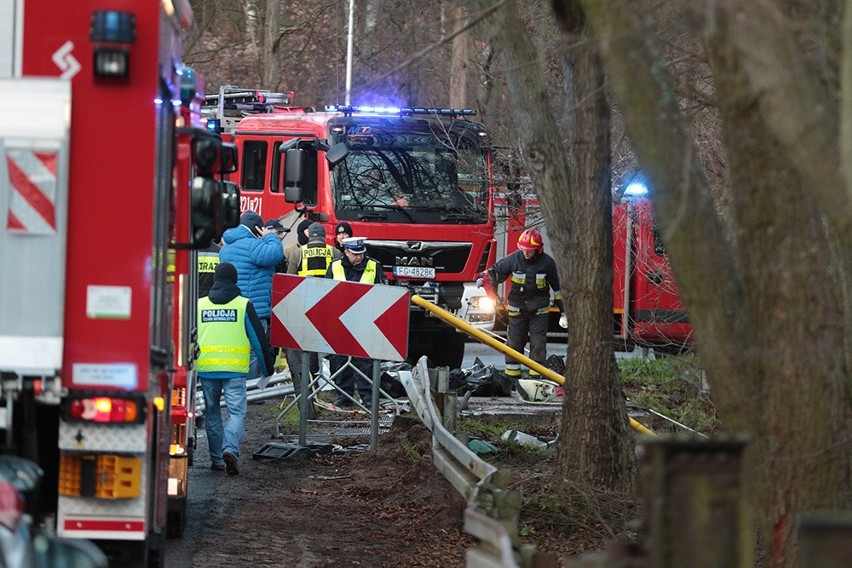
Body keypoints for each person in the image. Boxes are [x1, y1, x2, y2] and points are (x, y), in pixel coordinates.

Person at [197, 262, 275, 475]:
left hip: (206, 370)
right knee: (236, 413)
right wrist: (268, 368)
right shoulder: (243, 305)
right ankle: (230, 448)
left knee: (212, 413)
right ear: (235, 280)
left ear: (215, 279)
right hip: (234, 371)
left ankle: (217, 460)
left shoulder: (200, 305)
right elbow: (258, 341)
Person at [478, 228, 567, 381]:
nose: (525, 253)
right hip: (517, 309)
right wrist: (484, 278)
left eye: (529, 250)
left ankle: (535, 380)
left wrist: (563, 313)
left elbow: (557, 289)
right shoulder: (513, 259)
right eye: (523, 249)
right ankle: (512, 379)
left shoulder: (547, 263)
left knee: (538, 344)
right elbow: (496, 272)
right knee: (514, 343)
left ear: (538, 249)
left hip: (539, 310)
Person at [285, 222, 341, 418]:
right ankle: (334, 383)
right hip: (328, 305)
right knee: (329, 346)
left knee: (307, 347)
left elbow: (289, 280)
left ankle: (314, 383)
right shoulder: (334, 252)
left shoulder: (297, 253)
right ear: (324, 236)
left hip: (304, 305)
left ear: (309, 236)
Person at [219, 210, 284, 379]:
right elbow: (276, 253)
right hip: (254, 308)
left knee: (237, 348)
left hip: (233, 307)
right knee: (255, 351)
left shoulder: (227, 247)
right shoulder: (253, 245)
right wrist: (270, 236)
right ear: (257, 228)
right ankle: (252, 389)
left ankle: (235, 381)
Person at [325, 236, 388, 407]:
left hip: (366, 320)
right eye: (355, 254)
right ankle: (344, 395)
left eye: (361, 253)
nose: (359, 257)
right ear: (346, 251)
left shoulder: (374, 266)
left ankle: (367, 397)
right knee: (340, 359)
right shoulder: (335, 266)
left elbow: (383, 293)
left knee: (366, 360)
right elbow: (325, 293)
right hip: (340, 321)